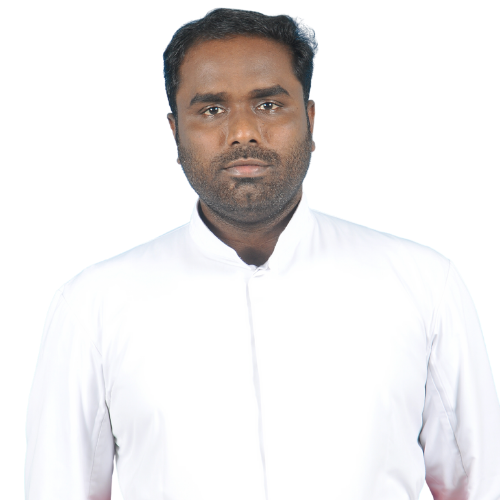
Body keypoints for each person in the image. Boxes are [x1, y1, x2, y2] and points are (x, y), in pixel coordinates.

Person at [25, 8, 500, 500]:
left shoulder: (424, 287)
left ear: (309, 120)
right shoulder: (93, 308)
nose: (243, 132)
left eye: (269, 105)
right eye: (212, 109)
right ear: (175, 132)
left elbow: (482, 484)